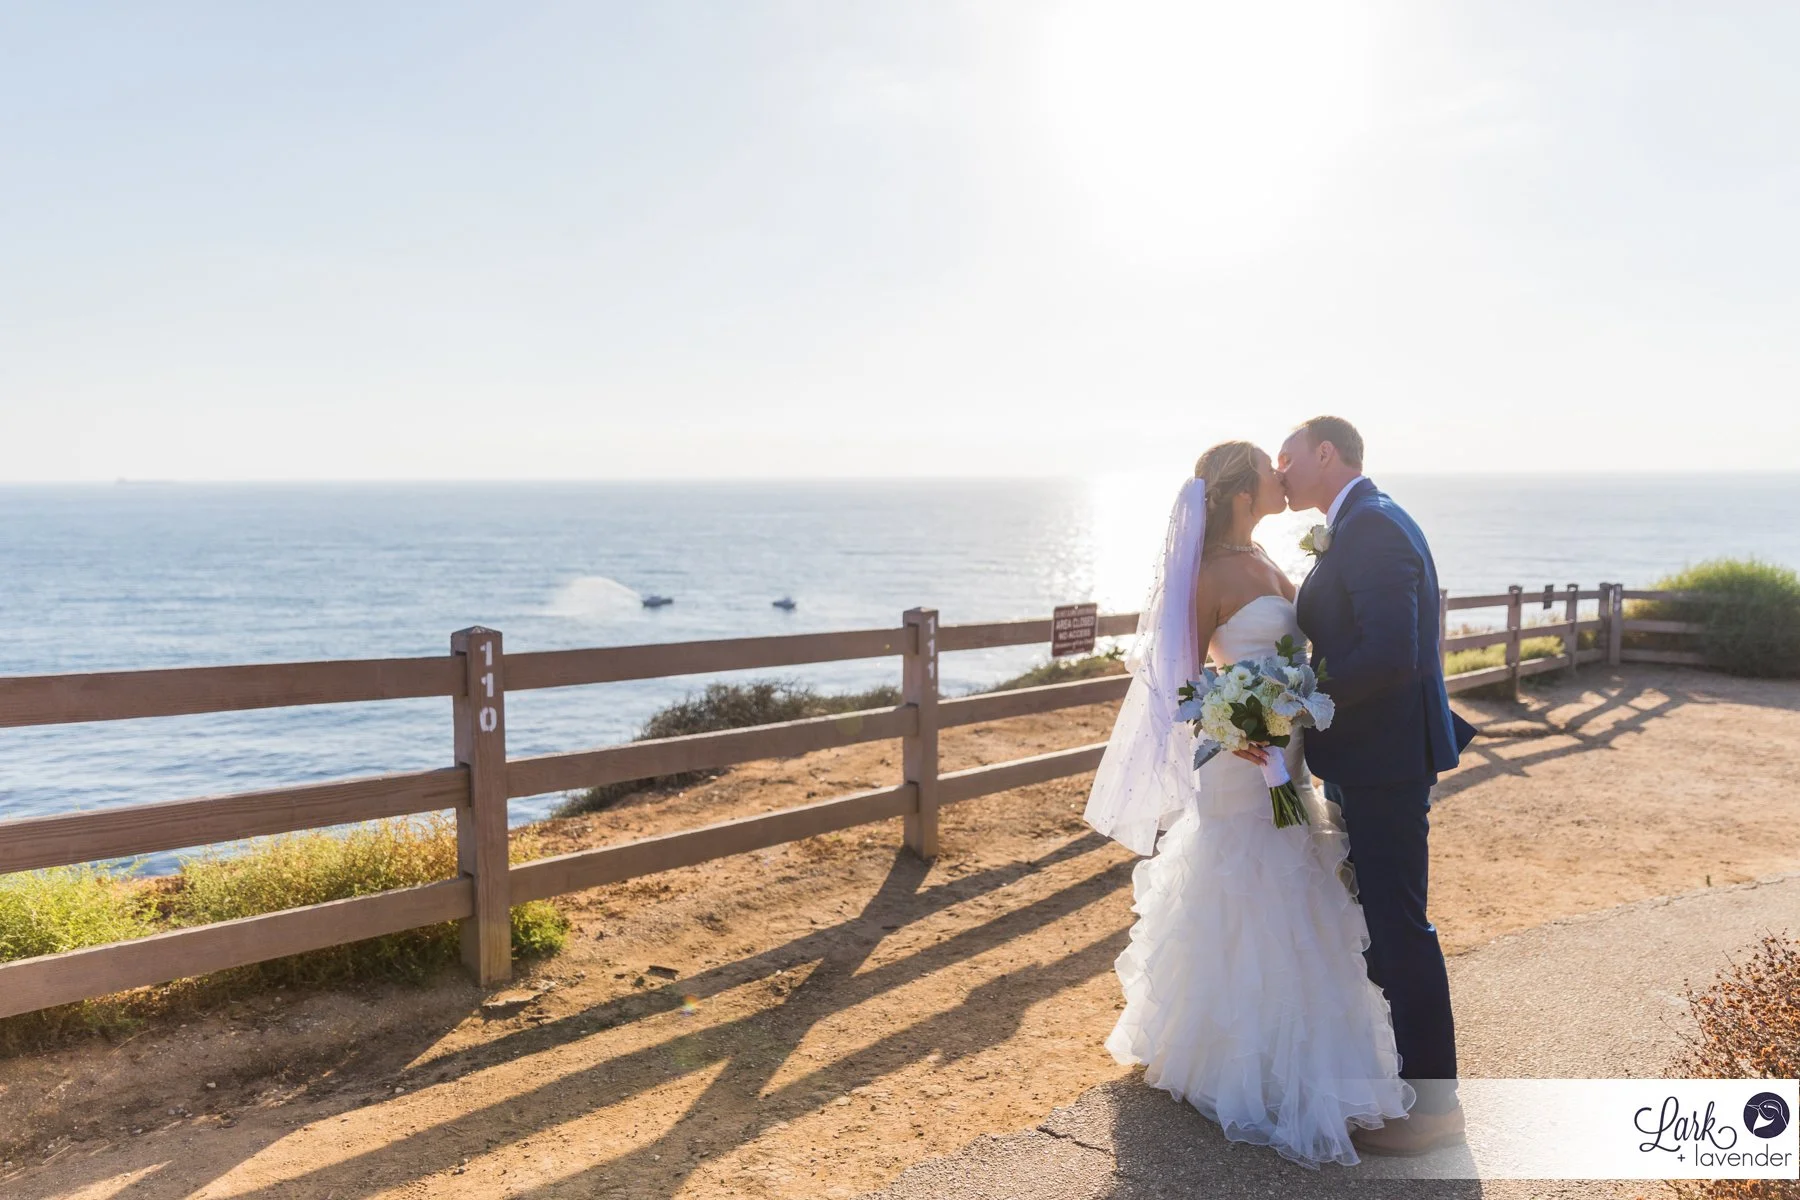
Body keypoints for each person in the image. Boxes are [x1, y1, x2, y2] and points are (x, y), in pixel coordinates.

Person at [1082, 439, 1414, 1169]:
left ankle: (1310, 1052)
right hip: (1241, 763)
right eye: (1271, 465)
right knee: (1248, 888)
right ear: (1243, 487)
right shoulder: (1205, 575)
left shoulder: (1272, 559)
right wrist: (1227, 724)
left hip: (1287, 758)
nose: (1281, 474)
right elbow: (1174, 680)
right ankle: (1236, 1060)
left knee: (1301, 886)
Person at [1275, 414, 1476, 1156]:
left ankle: (1434, 1110)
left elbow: (1393, 654)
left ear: (1325, 453)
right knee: (1379, 927)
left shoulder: (1375, 527)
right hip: (1367, 757)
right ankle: (1397, 1084)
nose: (1280, 468)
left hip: (1386, 763)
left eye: (1287, 455)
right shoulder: (1355, 521)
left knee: (1399, 927)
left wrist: (1301, 698)